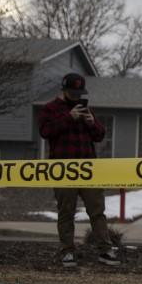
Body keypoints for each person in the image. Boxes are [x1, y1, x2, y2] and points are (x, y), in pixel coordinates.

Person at [38, 73, 121, 268]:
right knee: (66, 212)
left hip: (88, 169)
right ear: (64, 90)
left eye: (79, 93)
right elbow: (45, 132)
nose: (76, 96)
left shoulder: (86, 110)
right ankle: (67, 251)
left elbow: (100, 136)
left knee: (97, 211)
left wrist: (91, 122)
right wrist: (69, 117)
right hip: (63, 169)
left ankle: (105, 250)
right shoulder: (50, 109)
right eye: (73, 92)